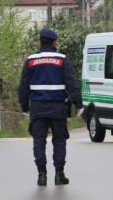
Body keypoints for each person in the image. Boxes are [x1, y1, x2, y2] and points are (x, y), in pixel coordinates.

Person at [18, 28, 84, 186]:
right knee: (59, 141)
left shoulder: (31, 60)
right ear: (55, 43)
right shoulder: (62, 59)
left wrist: (25, 107)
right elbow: (71, 83)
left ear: (40, 42)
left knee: (39, 141)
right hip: (58, 108)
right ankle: (59, 175)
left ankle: (41, 176)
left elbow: (23, 86)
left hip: (38, 108)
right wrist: (78, 104)